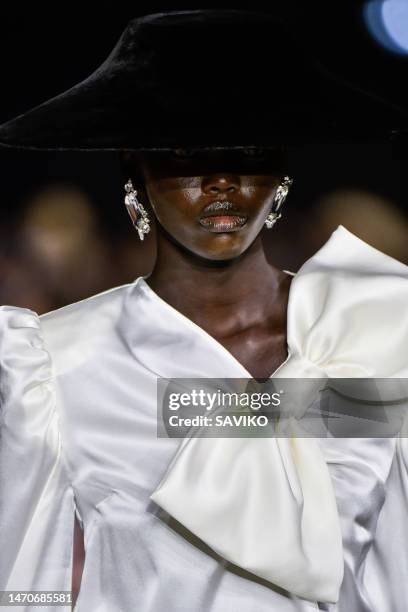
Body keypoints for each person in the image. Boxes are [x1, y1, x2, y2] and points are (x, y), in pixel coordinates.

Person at [1, 9, 408, 612]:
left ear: (282, 169)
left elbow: (396, 564)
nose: (221, 181)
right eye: (187, 151)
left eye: (247, 149)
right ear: (131, 166)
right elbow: (27, 587)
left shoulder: (371, 329)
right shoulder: (55, 365)